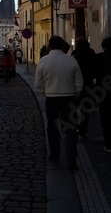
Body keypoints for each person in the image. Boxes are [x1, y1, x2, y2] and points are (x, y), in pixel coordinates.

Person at [34, 35, 84, 170]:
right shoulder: (72, 61)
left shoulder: (43, 61)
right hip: (69, 98)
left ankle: (55, 154)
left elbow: (38, 84)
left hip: (51, 98)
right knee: (70, 129)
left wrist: (46, 92)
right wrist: (76, 94)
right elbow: (79, 82)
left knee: (52, 127)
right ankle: (71, 160)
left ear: (49, 46)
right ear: (63, 46)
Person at [72, 37, 96, 139]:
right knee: (85, 111)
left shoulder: (75, 56)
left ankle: (76, 127)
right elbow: (94, 71)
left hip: (76, 85)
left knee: (73, 108)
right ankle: (83, 131)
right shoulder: (91, 54)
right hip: (88, 85)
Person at [94, 37, 111, 153]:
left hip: (103, 92)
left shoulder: (99, 58)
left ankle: (109, 143)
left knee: (105, 118)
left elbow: (93, 73)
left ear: (103, 47)